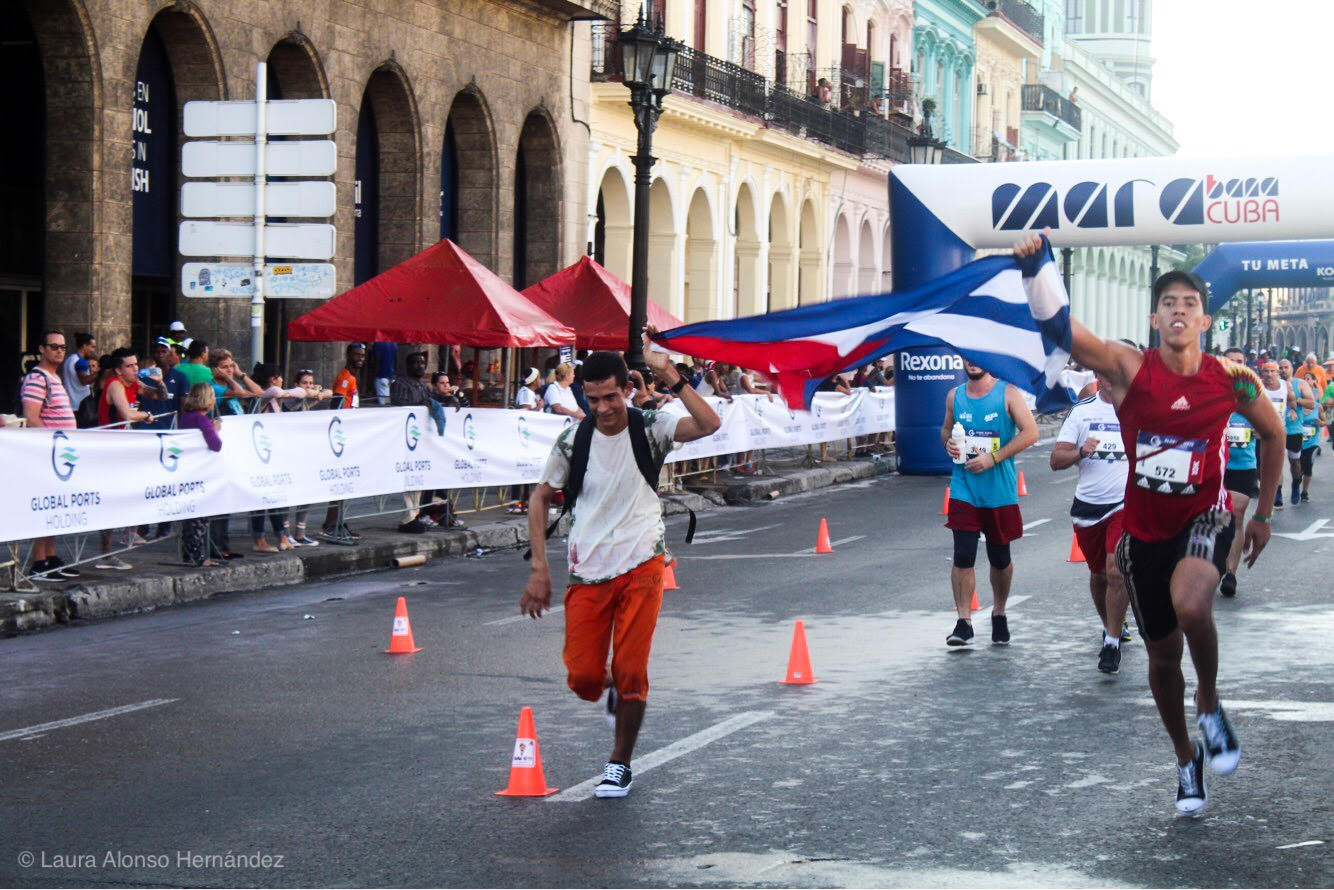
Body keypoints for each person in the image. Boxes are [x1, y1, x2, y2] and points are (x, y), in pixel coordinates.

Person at [1016, 233, 1283, 816]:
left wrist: (1262, 513)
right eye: (1168, 303)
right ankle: (1186, 758)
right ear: (1154, 319)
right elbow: (1066, 333)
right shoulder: (1129, 368)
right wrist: (1037, 269)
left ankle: (1208, 701)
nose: (1179, 310)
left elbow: (1274, 434)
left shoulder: (1233, 378)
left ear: (1205, 320)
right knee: (1162, 659)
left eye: (1190, 303)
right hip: (1142, 534)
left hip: (1207, 516)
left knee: (1192, 605)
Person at [520, 333, 721, 798]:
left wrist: (670, 374)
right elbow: (539, 498)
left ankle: (619, 762)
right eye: (593, 399)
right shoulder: (574, 439)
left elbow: (709, 424)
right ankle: (615, 687)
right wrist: (539, 570)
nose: (603, 408)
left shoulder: (650, 426)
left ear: (627, 389)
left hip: (643, 562)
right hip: (588, 569)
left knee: (632, 669)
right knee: (584, 678)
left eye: (611, 396)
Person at [940, 360, 1039, 647]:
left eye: (976, 357)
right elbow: (945, 431)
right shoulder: (955, 396)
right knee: (963, 554)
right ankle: (964, 622)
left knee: (1000, 558)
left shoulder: (1007, 394)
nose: (972, 363)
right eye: (966, 357)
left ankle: (999, 612)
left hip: (999, 491)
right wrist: (948, 444)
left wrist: (993, 458)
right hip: (964, 488)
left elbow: (1030, 432)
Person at [1050, 368, 1130, 674]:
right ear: (1097, 375)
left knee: (1115, 570)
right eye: (1104, 371)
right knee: (1099, 575)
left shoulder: (1139, 408)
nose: (1110, 376)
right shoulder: (1082, 412)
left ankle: (1111, 643)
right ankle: (1111, 623)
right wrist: (1081, 452)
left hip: (1125, 504)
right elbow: (1056, 460)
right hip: (1089, 506)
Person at [21, 331, 81, 580]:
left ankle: (51, 555)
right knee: (44, 506)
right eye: (53, 346)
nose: (59, 351)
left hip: (60, 454)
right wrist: (51, 445)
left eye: (62, 347)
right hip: (47, 453)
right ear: (42, 349)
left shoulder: (55, 377)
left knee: (55, 506)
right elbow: (31, 416)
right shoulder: (37, 378)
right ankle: (39, 562)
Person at [1219, 347, 1259, 599]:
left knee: (1236, 514)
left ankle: (1230, 574)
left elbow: (1272, 432)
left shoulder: (1252, 397)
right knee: (1215, 518)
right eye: (1231, 361)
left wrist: (1258, 430)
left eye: (1240, 362)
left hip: (1242, 465)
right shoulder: (1209, 393)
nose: (1236, 365)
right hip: (1214, 466)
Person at [321, 343, 368, 542]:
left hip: (349, 429)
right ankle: (331, 523)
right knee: (340, 479)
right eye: (356, 355)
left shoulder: (353, 377)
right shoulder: (345, 377)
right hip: (341, 432)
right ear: (348, 355)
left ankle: (337, 521)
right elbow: (337, 402)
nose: (360, 358)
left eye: (362, 355)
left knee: (346, 480)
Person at [177, 383, 223, 567]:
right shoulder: (200, 419)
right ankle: (198, 555)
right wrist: (215, 429)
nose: (214, 400)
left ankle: (190, 553)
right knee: (199, 517)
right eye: (212, 396)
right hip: (198, 472)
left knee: (191, 517)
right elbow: (216, 445)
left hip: (188, 469)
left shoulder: (186, 417)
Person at [391, 351, 433, 534]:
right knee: (408, 478)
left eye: (423, 363)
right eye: (416, 363)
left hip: (421, 437)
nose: (420, 366)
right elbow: (400, 405)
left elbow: (433, 400)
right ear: (408, 365)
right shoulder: (400, 384)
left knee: (418, 478)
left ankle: (415, 514)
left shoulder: (424, 385)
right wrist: (421, 402)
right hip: (406, 437)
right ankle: (407, 518)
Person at [1277, 359, 1316, 506]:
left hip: (1294, 429)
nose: (1283, 370)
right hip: (1277, 430)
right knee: (1277, 463)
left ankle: (1295, 484)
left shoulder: (1300, 383)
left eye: (1286, 367)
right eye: (1281, 368)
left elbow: (1311, 404)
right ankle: (1278, 493)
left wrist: (1295, 398)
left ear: (1292, 368)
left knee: (1295, 462)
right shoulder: (1274, 384)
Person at [1256, 361, 1291, 511]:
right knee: (1259, 467)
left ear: (1277, 373)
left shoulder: (1285, 386)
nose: (1269, 374)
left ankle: (1278, 493)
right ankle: (1266, 488)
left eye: (1272, 371)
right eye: (1266, 371)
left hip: (1278, 432)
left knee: (1276, 464)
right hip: (1260, 432)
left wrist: (1293, 410)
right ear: (1262, 372)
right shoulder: (1257, 385)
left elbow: (1292, 401)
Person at [60, 332, 98, 410]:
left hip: (71, 404)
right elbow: (84, 381)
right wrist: (100, 373)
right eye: (92, 347)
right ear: (84, 346)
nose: (93, 350)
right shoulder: (80, 361)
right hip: (80, 406)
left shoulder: (69, 359)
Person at [372, 341, 399, 405]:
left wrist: (372, 378)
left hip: (381, 377)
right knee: (388, 401)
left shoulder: (378, 343)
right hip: (391, 377)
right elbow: (396, 361)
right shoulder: (394, 343)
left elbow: (377, 361)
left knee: (384, 404)